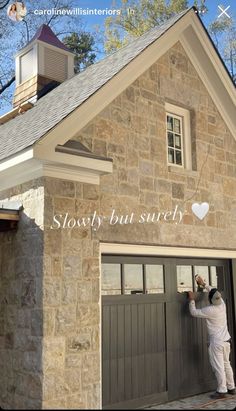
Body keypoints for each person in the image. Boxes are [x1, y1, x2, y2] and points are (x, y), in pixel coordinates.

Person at [188, 275, 235, 399]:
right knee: (226, 364)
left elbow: (194, 312)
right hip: (226, 341)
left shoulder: (210, 310)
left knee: (219, 366)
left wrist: (192, 299)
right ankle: (232, 387)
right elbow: (213, 290)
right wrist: (204, 284)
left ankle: (222, 390)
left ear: (210, 300)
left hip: (217, 343)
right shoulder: (222, 303)